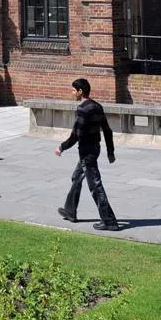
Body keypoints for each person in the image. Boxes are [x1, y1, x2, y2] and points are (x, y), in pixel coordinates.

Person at [54, 77, 120, 231]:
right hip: (94, 149)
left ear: (80, 91)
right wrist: (110, 151)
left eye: (73, 90)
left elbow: (76, 134)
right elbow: (107, 130)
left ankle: (110, 221)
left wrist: (62, 147)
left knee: (95, 186)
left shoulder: (83, 109)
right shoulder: (97, 106)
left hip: (87, 152)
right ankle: (70, 211)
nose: (72, 93)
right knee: (76, 177)